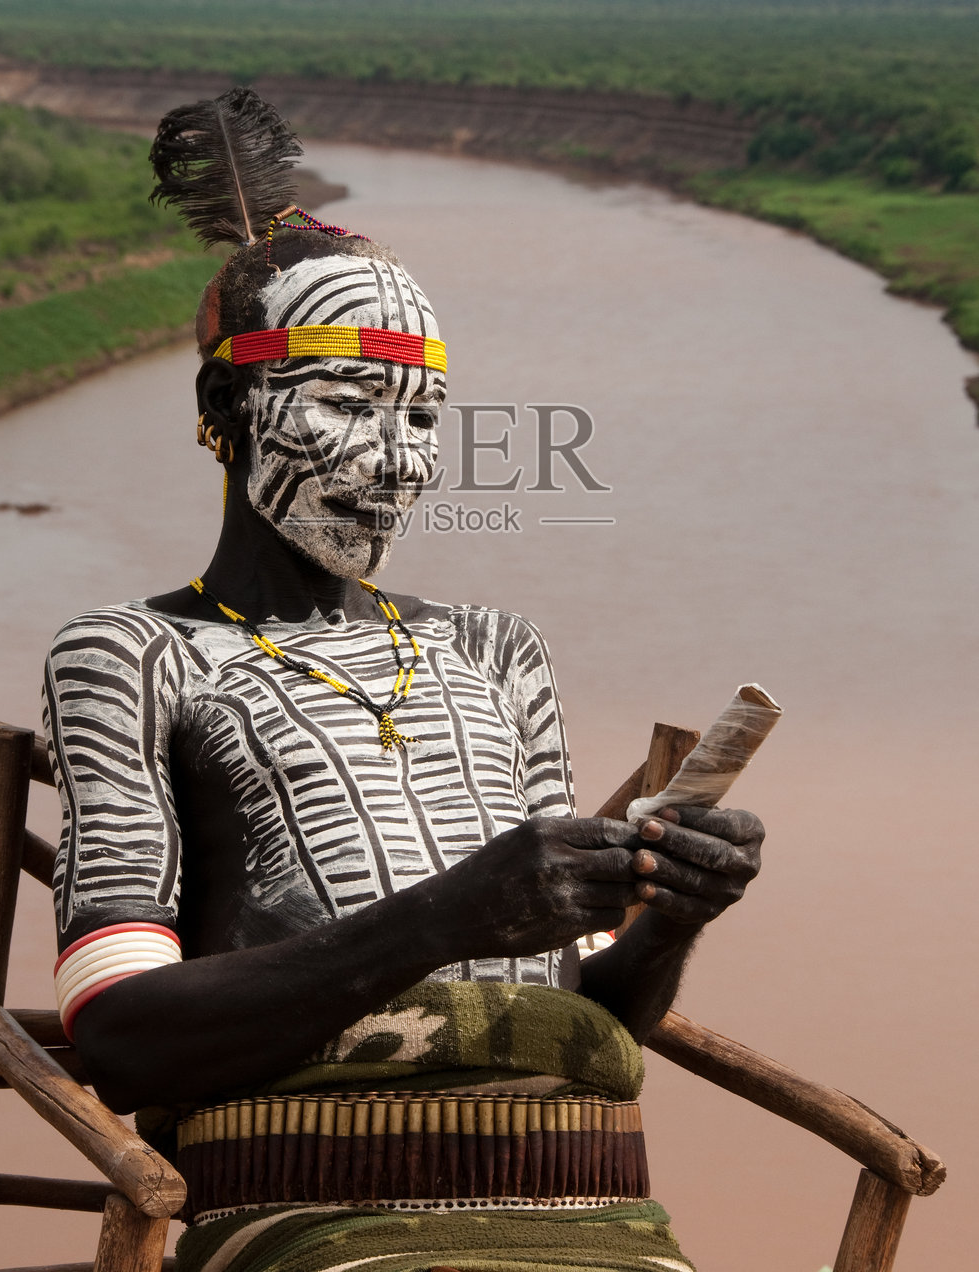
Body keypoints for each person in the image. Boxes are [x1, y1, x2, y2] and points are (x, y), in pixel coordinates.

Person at [44, 89, 764, 1272]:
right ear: (227, 406)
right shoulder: (133, 653)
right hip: (317, 1206)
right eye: (344, 404)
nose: (399, 460)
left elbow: (585, 1020)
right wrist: (449, 913)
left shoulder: (497, 648)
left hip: (595, 1215)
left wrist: (675, 914)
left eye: (423, 416)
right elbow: (123, 1044)